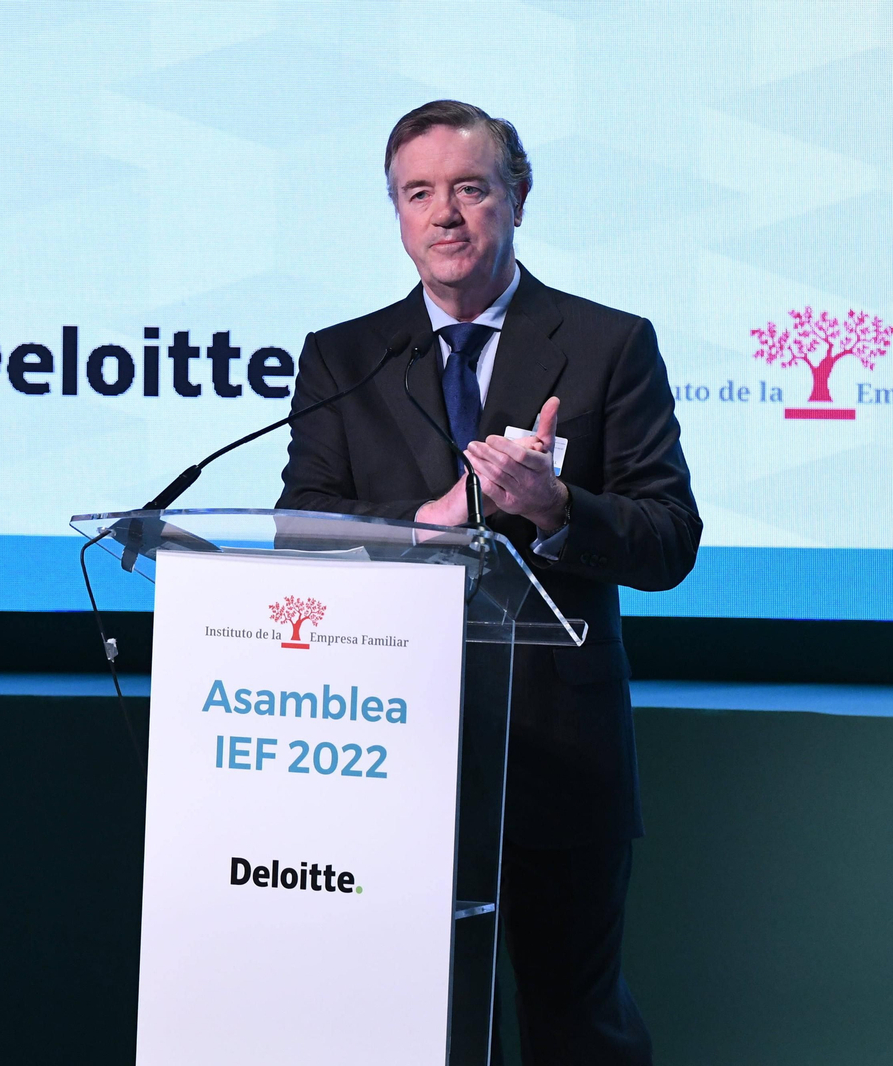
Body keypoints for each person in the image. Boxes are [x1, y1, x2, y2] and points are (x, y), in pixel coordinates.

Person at [276, 99, 700, 1065]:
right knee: (396, 1024)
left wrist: (556, 512)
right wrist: (422, 527)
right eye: (417, 194)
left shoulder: (606, 345)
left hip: (557, 748)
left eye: (470, 189)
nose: (445, 215)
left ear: (517, 198)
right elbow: (306, 532)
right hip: (385, 745)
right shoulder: (345, 357)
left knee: (573, 1026)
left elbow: (670, 539)